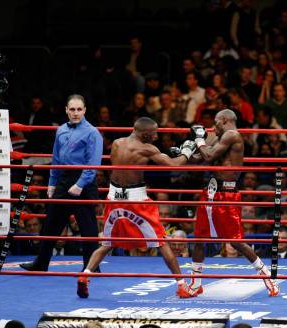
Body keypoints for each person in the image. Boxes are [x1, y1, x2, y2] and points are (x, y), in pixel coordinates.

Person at [81, 117, 199, 298]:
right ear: (144, 134)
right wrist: (188, 149)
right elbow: (174, 165)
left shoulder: (117, 143)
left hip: (113, 198)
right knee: (162, 241)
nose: (157, 137)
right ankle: (182, 285)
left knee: (107, 243)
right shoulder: (146, 148)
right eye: (154, 134)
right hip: (135, 200)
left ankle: (85, 275)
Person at [187, 109, 279, 297]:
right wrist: (186, 150)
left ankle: (267, 276)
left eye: (216, 122)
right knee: (198, 239)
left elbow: (209, 156)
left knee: (236, 242)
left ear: (225, 120)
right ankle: (195, 284)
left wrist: (199, 140)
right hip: (211, 191)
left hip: (226, 194)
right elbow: (201, 157)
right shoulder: (220, 137)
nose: (213, 126)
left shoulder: (232, 135)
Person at [20, 94, 102, 280]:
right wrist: (51, 183)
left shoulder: (92, 132)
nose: (75, 113)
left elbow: (93, 163)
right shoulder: (61, 130)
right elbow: (56, 158)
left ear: (85, 110)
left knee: (87, 226)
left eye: (79, 109)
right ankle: (41, 263)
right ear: (66, 110)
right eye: (72, 109)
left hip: (84, 180)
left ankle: (91, 268)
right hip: (63, 179)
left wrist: (80, 184)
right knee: (51, 223)